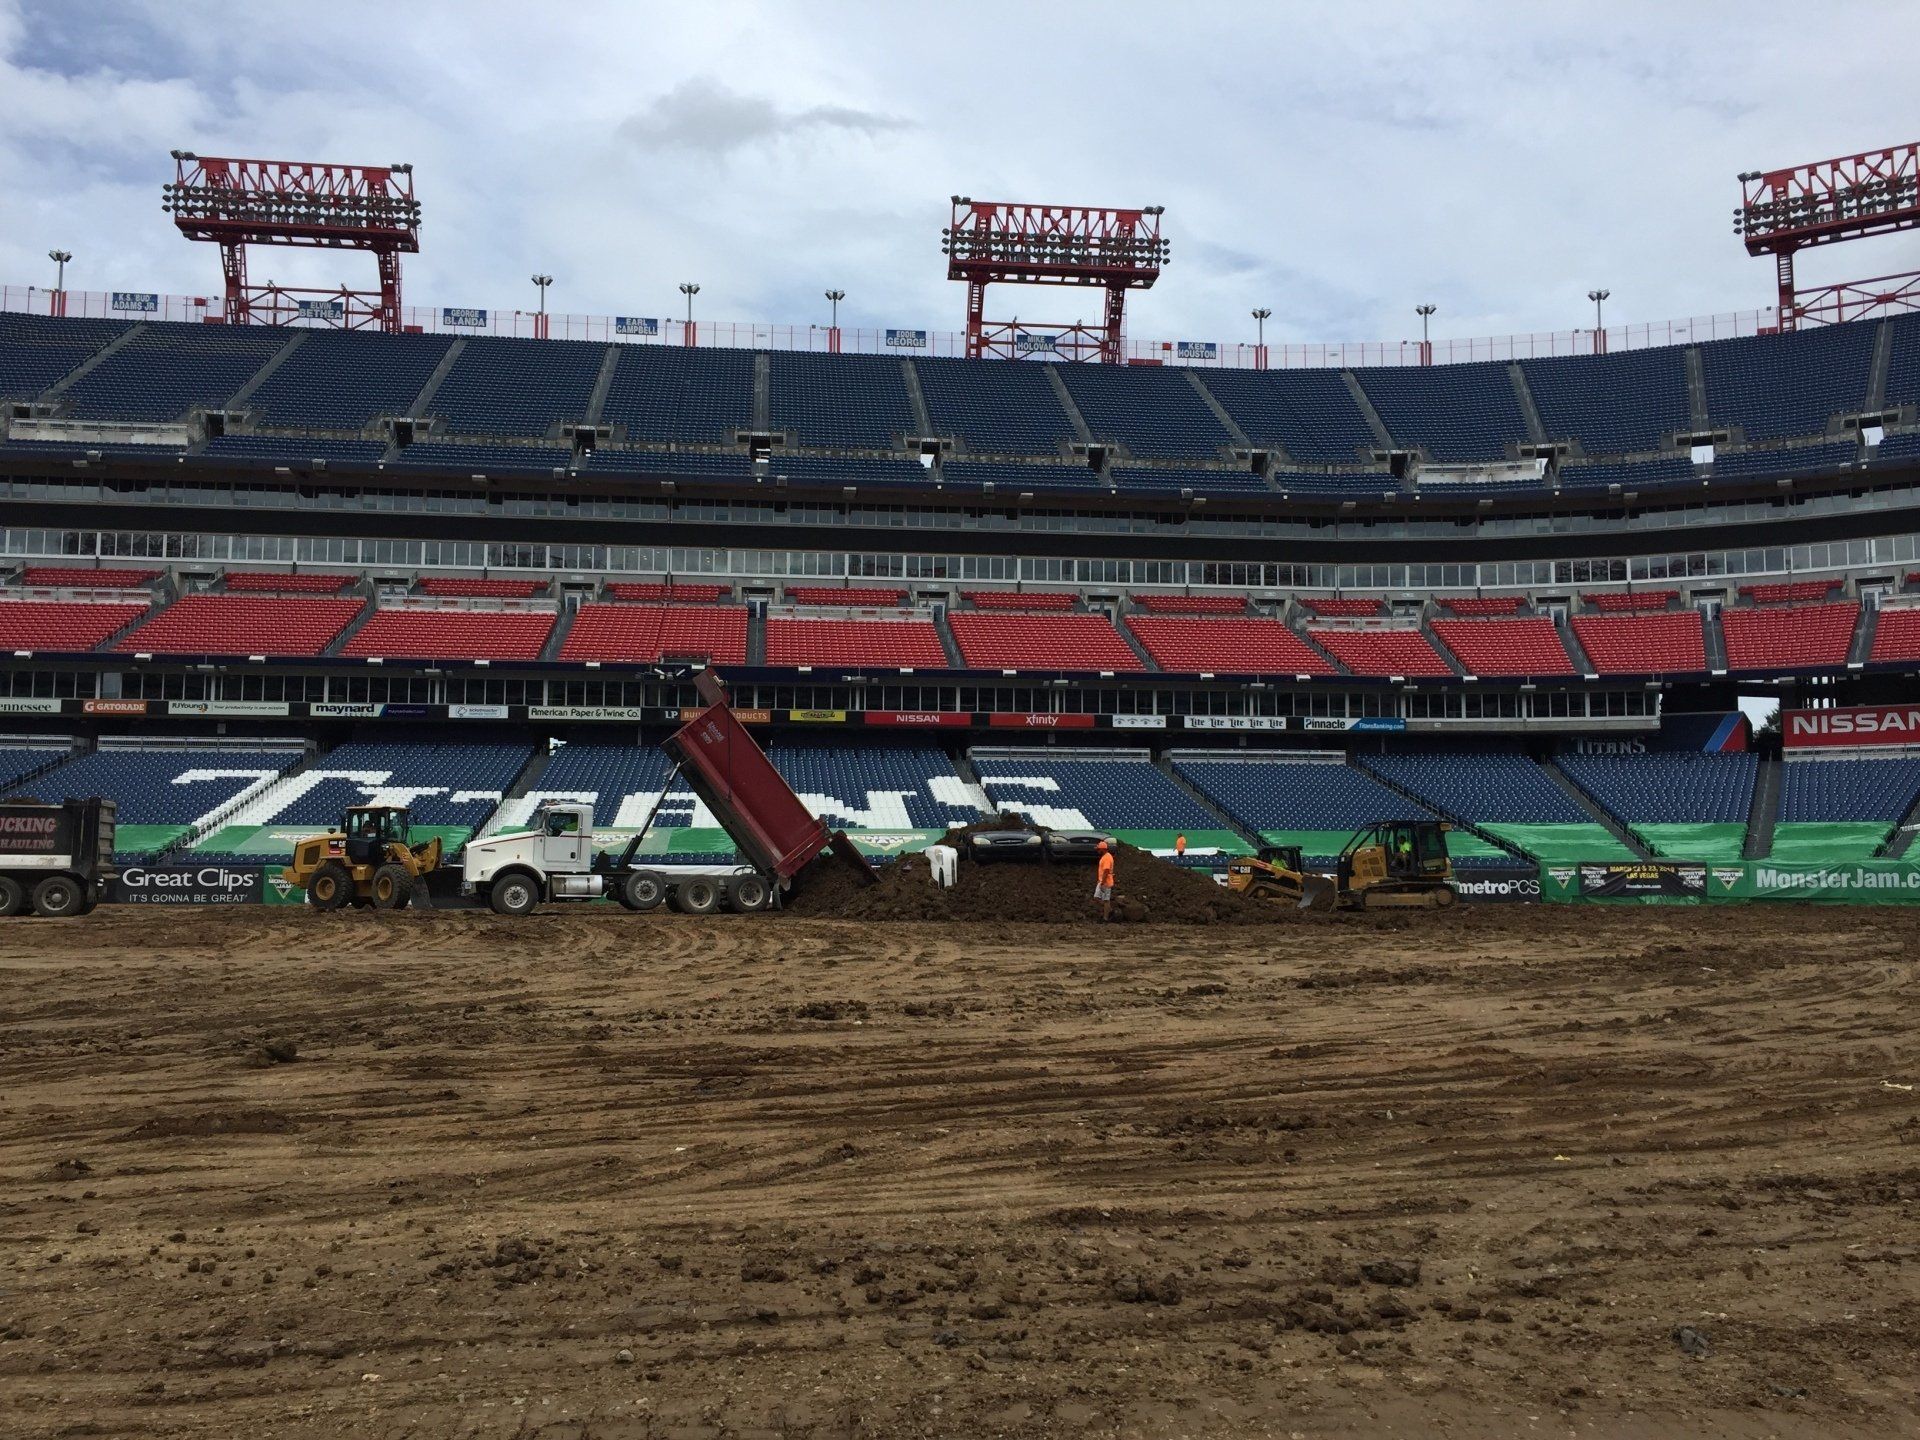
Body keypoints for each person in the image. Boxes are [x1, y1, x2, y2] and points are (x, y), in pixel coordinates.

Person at [1094, 839, 1116, 921]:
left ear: (1103, 849)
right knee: (1097, 898)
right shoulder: (1105, 857)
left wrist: (1102, 882)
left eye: (1099, 849)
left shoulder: (1107, 858)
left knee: (1106, 900)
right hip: (1102, 881)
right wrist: (1100, 881)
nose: (1098, 851)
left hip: (1106, 882)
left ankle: (1106, 918)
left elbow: (1106, 871)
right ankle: (1110, 910)